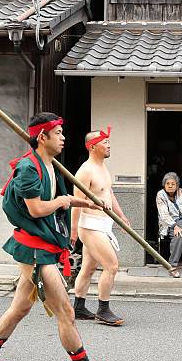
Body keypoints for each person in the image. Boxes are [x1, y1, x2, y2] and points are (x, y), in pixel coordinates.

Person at [0, 112, 121, 361]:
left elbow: (57, 201)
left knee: (20, 307)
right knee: (66, 311)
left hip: (44, 245)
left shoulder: (51, 164)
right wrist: (65, 200)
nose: (64, 138)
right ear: (42, 137)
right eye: (59, 134)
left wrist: (89, 204)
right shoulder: (29, 168)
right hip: (34, 250)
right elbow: (37, 208)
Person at [71, 127, 130, 326]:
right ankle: (103, 309)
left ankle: (78, 307)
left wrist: (121, 216)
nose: (109, 146)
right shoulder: (85, 171)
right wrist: (73, 231)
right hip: (90, 225)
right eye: (105, 143)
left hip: (103, 224)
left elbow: (109, 194)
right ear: (92, 146)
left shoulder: (103, 168)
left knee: (88, 268)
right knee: (112, 266)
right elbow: (76, 202)